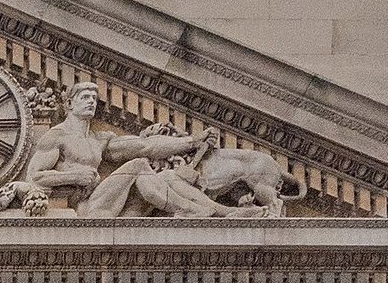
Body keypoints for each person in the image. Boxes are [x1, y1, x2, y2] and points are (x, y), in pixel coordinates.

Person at [23, 81, 260, 217]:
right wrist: (74, 175)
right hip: (83, 209)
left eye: (94, 98)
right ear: (69, 104)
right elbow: (34, 176)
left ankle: (220, 212)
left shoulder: (98, 140)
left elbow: (144, 145)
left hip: (103, 202)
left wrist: (192, 142)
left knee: (166, 175)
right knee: (138, 167)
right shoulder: (56, 137)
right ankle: (193, 211)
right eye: (85, 97)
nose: (91, 102)